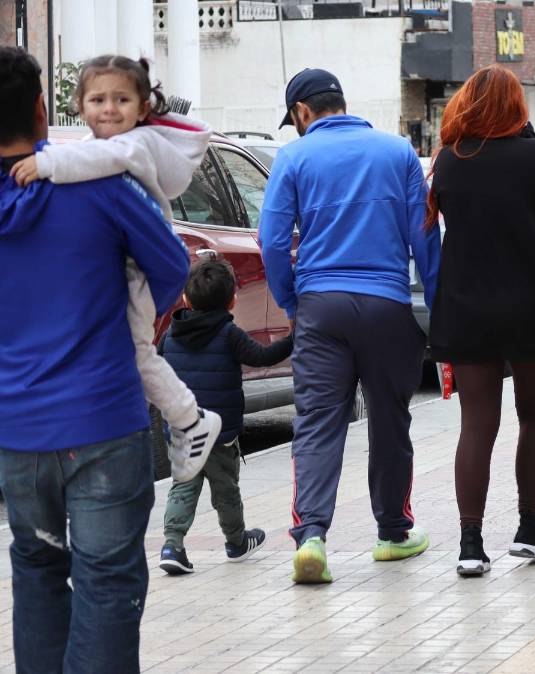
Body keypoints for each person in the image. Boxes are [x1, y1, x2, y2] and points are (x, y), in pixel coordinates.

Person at [0, 47, 190, 672]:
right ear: (42, 109)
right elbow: (171, 267)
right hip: (104, 416)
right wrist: (131, 326)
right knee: (107, 580)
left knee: (36, 569)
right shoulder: (101, 185)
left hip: (16, 429)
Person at [260, 67, 441, 584]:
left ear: (302, 112)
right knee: (390, 420)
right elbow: (425, 237)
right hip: (387, 305)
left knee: (318, 421)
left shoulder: (293, 157)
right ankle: (392, 534)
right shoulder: (398, 152)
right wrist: (436, 305)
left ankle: (312, 538)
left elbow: (272, 241)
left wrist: (292, 302)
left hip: (320, 306)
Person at [7, 54, 221, 480]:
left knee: (136, 351)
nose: (109, 109)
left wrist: (45, 163)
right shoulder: (103, 146)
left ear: (142, 108)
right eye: (98, 99)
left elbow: (94, 163)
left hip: (135, 267)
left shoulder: (132, 145)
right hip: (126, 264)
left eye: (121, 99)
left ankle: (190, 420)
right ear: (79, 106)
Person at [426, 66, 535, 577]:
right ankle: (529, 529)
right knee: (534, 418)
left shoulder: (451, 159)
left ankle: (470, 545)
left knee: (477, 424)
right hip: (532, 303)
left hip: (468, 306)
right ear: (517, 107)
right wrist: (529, 140)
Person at [158, 256, 294, 575]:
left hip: (182, 431)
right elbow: (262, 357)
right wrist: (293, 338)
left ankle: (172, 545)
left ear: (186, 299)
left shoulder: (169, 336)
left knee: (183, 485)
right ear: (232, 300)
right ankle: (236, 542)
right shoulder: (229, 334)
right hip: (219, 433)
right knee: (226, 490)